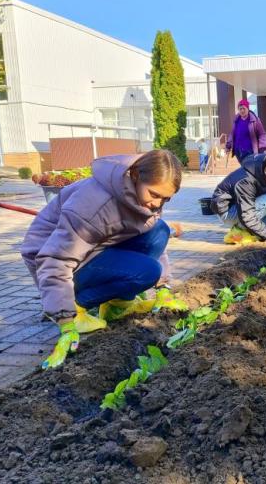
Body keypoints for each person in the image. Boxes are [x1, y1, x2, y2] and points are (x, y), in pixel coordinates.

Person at [21, 150, 187, 369]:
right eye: (154, 194)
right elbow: (54, 260)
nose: (157, 203)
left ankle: (116, 304)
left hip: (94, 250)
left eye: (165, 198)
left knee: (159, 231)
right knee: (146, 271)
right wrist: (66, 320)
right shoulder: (95, 206)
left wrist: (164, 288)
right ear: (135, 176)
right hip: (55, 262)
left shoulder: (142, 199)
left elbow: (154, 241)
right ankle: (78, 304)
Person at [211, 153, 266, 245]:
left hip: (239, 208)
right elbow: (247, 217)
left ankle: (257, 230)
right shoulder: (246, 181)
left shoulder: (261, 172)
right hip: (228, 212)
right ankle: (249, 230)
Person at [221, 99, 266, 165]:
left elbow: (262, 134)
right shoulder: (236, 120)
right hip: (238, 151)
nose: (242, 110)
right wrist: (228, 146)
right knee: (244, 168)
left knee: (250, 168)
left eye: (244, 108)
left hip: (250, 150)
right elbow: (232, 134)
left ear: (248, 108)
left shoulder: (255, 120)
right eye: (240, 109)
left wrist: (262, 146)